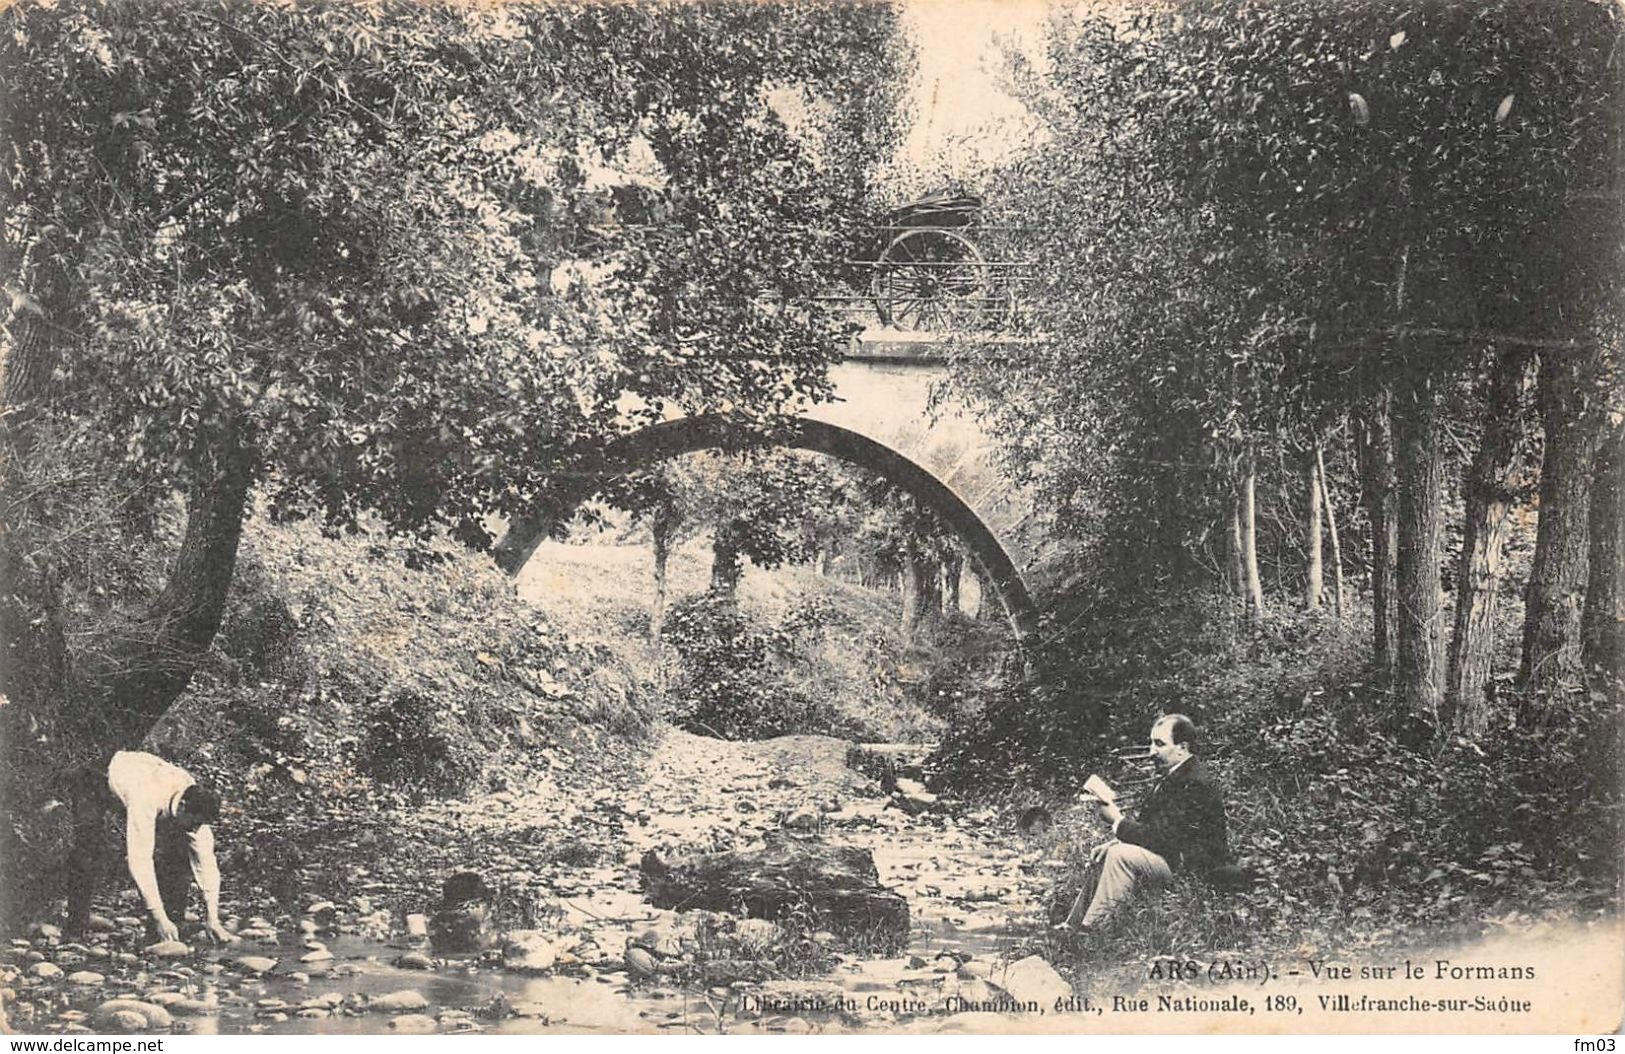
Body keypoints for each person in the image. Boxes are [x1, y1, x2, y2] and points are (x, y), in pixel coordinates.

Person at [1059, 713, 1229, 931]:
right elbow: (1155, 829)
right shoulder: (1176, 776)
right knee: (1108, 853)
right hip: (1174, 860)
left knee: (1122, 856)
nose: (1151, 751)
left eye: (1159, 744)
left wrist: (1117, 821)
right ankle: (1072, 926)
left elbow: (1164, 839)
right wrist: (1115, 840)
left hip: (1193, 871)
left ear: (1182, 747)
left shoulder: (1194, 783)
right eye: (1151, 743)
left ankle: (1094, 931)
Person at [65, 750, 238, 943]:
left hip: (144, 776)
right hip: (98, 777)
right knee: (88, 851)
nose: (195, 829)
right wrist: (158, 916)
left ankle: (170, 925)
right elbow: (139, 861)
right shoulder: (146, 798)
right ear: (183, 807)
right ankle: (75, 926)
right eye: (194, 823)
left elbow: (206, 864)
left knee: (178, 855)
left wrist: (212, 918)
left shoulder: (194, 806)